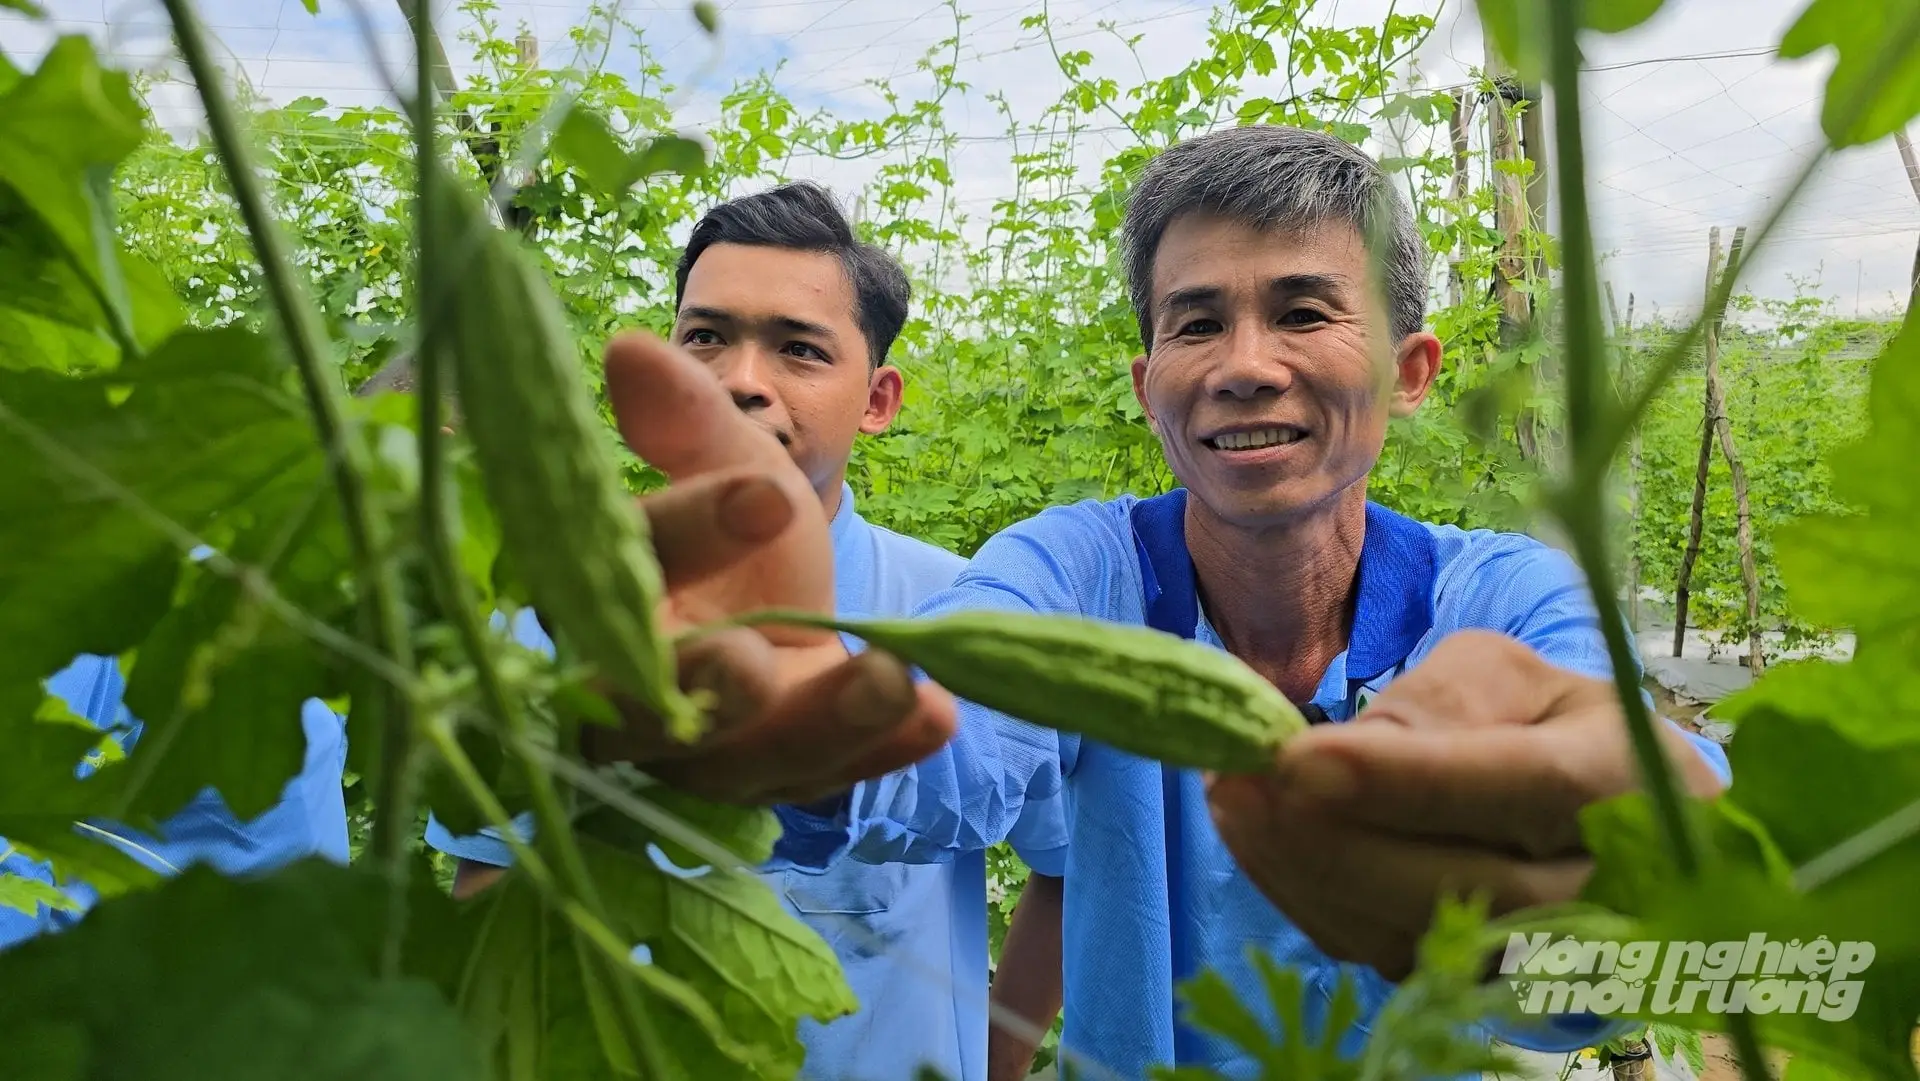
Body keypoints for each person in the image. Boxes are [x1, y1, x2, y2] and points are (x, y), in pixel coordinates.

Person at [580, 126, 1735, 1080]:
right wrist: (806, 740)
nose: (1244, 364)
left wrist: (1640, 867)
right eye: (1196, 322)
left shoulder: (1505, 598)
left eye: (1303, 312)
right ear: (1147, 386)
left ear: (1410, 371)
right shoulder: (1071, 572)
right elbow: (955, 742)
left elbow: (1619, 837)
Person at [424, 182, 1069, 1081]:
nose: (740, 382)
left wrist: (996, 1063)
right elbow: (491, 877)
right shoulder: (553, 607)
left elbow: (1066, 858)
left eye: (799, 349)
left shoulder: (958, 606)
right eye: (706, 338)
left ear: (877, 399)